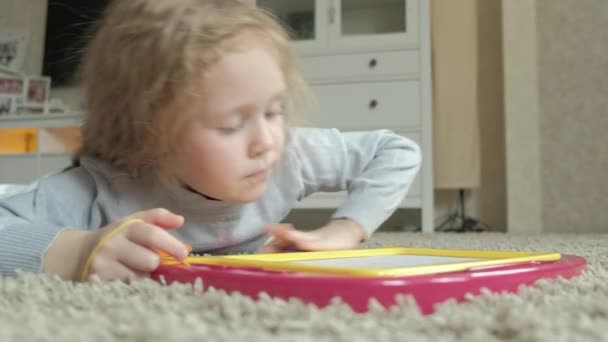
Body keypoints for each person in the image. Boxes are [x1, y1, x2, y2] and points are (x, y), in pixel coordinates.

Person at [0, 0, 421, 282]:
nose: (265, 142)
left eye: (273, 111)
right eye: (231, 124)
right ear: (149, 133)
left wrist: (345, 230)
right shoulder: (98, 191)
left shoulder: (287, 153)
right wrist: (78, 251)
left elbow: (393, 151)